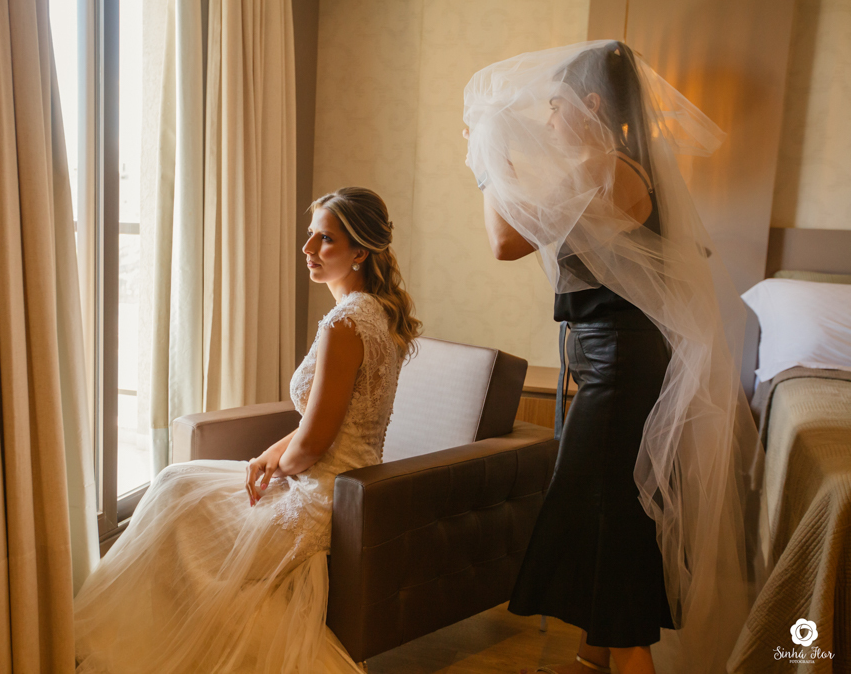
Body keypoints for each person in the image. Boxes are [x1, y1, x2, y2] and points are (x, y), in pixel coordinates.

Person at [462, 42, 765, 674]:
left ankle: (619, 653)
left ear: (591, 104)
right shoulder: (621, 167)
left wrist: (488, 166)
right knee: (606, 523)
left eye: (556, 106)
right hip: (620, 365)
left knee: (606, 525)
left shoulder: (602, 168)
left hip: (620, 372)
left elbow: (505, 241)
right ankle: (591, 657)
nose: (550, 120)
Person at [73, 187, 421, 673]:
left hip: (320, 498)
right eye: (310, 235)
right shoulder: (380, 314)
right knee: (177, 482)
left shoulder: (344, 324)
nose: (307, 248)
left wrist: (282, 465)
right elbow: (336, 423)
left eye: (325, 239)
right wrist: (270, 455)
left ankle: (152, 654)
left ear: (360, 251)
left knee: (176, 506)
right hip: (342, 485)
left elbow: (314, 443)